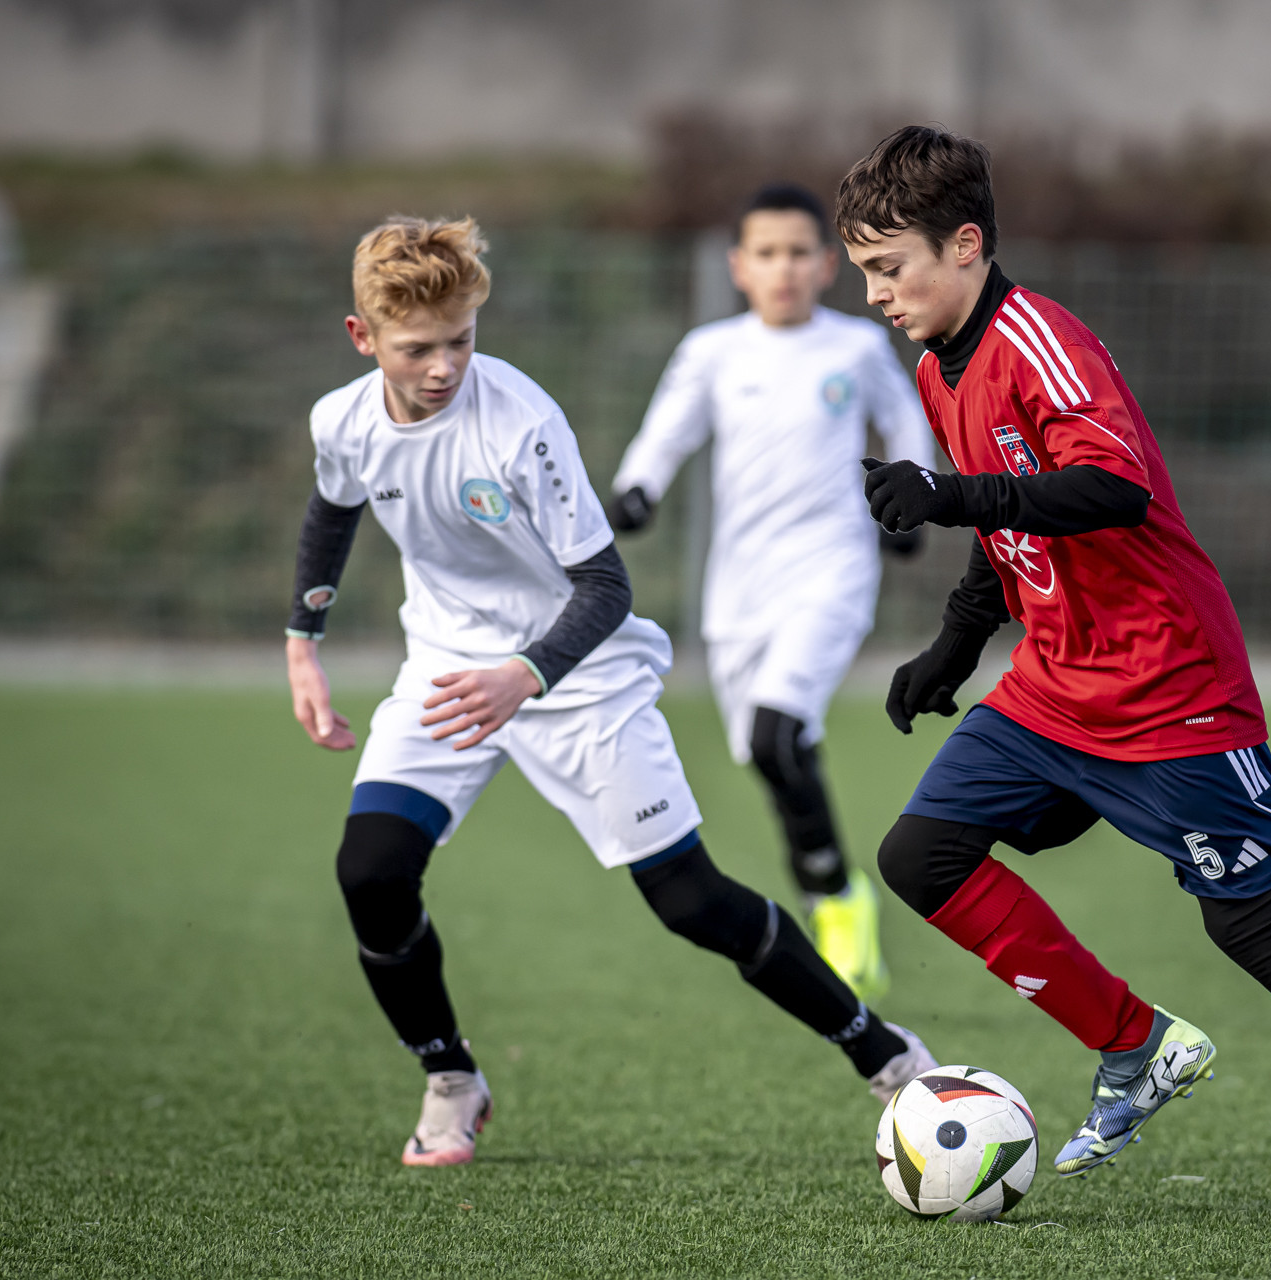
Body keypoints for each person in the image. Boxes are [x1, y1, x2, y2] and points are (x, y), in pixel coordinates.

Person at [835, 127, 1271, 1229]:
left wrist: (948, 495)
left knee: (1249, 923)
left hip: (1170, 686)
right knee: (922, 855)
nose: (873, 293)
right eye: (864, 271)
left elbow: (1110, 488)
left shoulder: (1039, 339)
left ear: (964, 244)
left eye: (888, 266)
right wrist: (956, 647)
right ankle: (1135, 1044)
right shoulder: (936, 363)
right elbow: (1009, 514)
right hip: (1055, 682)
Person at [283, 215, 934, 1168]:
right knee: (371, 873)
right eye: (417, 349)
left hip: (580, 676)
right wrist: (303, 643)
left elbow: (604, 587)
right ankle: (452, 1079)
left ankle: (886, 1055)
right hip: (450, 672)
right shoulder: (341, 420)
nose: (444, 366)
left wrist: (526, 673)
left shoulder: (519, 421)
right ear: (362, 337)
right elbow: (332, 508)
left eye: (460, 340)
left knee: (689, 901)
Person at [607, 183, 933, 1002]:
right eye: (766, 253)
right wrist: (637, 489)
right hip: (739, 591)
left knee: (778, 731)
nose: (783, 268)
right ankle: (832, 884)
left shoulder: (855, 347)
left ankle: (838, 903)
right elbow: (667, 430)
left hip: (831, 571)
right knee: (767, 749)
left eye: (798, 253)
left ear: (825, 265)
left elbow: (906, 421)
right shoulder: (712, 351)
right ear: (739, 267)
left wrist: (911, 500)